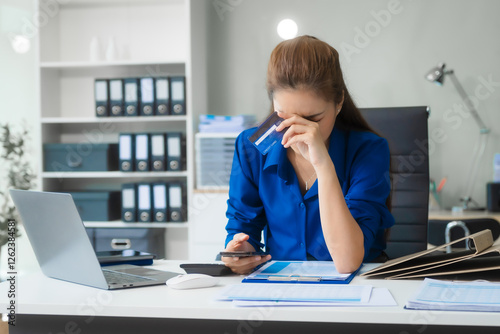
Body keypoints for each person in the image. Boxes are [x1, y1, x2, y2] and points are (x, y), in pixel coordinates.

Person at [222, 35, 394, 274]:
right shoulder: (251, 147)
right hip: (280, 286)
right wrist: (240, 254)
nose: (297, 131)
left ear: (339, 102)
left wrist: (323, 164)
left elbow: (347, 261)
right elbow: (243, 228)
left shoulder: (368, 150)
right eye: (283, 116)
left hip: (357, 285)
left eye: (313, 119)